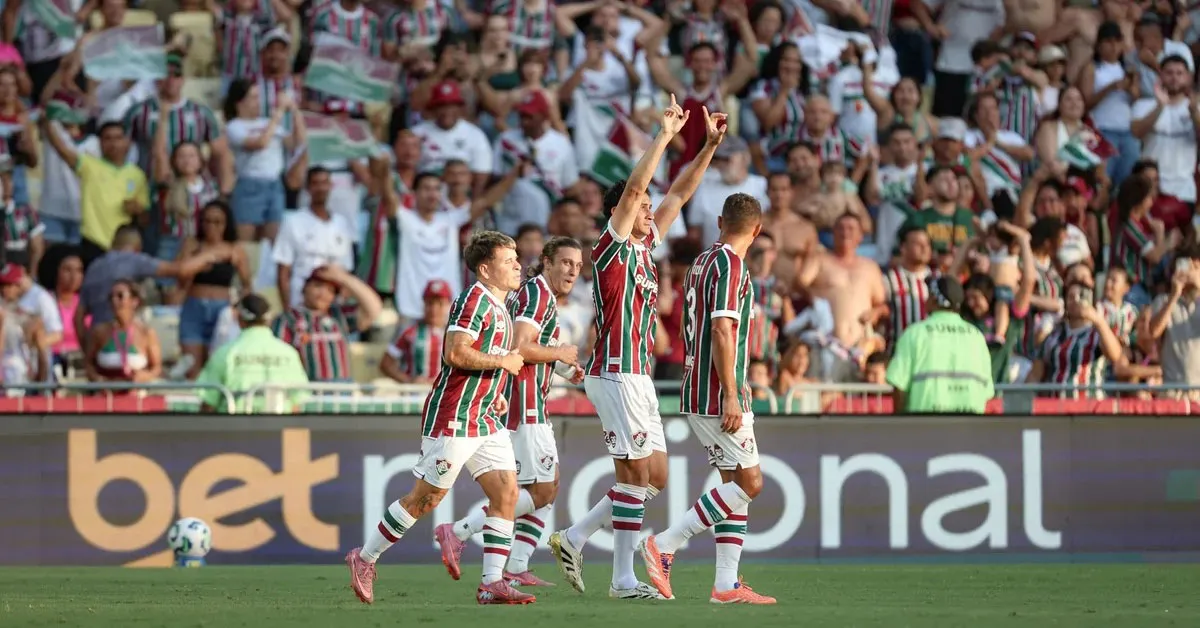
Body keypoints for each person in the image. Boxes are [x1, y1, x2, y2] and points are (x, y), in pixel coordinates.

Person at [548, 97, 724, 600]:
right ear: (620, 214)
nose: (650, 210)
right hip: (615, 372)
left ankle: (575, 536)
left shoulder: (646, 248)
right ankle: (622, 579)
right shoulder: (613, 246)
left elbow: (680, 192)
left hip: (638, 376)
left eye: (650, 208)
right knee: (634, 475)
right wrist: (664, 136)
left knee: (656, 476)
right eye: (643, 207)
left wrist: (708, 147)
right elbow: (635, 190)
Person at [347, 231, 531, 605]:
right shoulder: (473, 300)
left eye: (516, 258)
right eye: (508, 260)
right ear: (485, 269)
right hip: (455, 416)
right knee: (425, 499)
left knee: (507, 493)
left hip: (484, 416)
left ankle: (491, 583)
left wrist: (495, 392)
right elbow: (455, 353)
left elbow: (484, 359)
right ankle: (364, 558)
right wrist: (503, 362)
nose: (517, 265)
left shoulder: (500, 304)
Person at [639, 192, 775, 605]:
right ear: (757, 230)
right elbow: (721, 330)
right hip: (718, 391)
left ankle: (726, 584)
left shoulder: (701, 262)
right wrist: (731, 393)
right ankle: (664, 543)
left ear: (719, 221)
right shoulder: (731, 265)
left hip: (696, 385)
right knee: (751, 483)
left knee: (734, 485)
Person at [435, 236, 585, 586]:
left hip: (528, 400)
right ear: (547, 261)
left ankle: (516, 565)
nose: (572, 271)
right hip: (524, 404)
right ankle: (459, 531)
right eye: (565, 262)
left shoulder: (535, 294)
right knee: (540, 491)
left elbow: (528, 346)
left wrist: (562, 367)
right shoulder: (538, 294)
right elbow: (520, 346)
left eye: (578, 266)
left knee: (546, 487)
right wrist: (560, 353)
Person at [886, 275, 994, 414]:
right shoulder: (977, 337)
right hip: (969, 423)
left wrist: (901, 422)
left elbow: (899, 386)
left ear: (934, 299)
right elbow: (986, 392)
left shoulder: (914, 334)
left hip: (925, 423)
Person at [196, 294, 310, 414]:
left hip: (234, 424)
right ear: (268, 320)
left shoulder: (225, 353)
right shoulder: (289, 353)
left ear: (239, 319)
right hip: (280, 423)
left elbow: (208, 402)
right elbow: (296, 404)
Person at [177, 201, 253, 379]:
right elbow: (180, 276)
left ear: (226, 224)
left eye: (218, 222)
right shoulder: (192, 245)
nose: (212, 226)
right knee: (192, 368)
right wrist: (204, 258)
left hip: (222, 311)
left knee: (219, 367)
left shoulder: (235, 250)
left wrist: (240, 309)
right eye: (207, 221)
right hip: (194, 308)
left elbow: (247, 284)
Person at [83, 279, 161, 384]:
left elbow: (156, 368)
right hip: (105, 390)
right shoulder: (99, 332)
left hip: (136, 390)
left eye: (120, 296)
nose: (114, 301)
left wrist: (144, 376)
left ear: (134, 301)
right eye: (111, 297)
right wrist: (97, 379)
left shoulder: (146, 333)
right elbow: (88, 364)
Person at [380, 280, 452, 384]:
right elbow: (386, 364)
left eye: (440, 304)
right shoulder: (408, 330)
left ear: (449, 305)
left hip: (444, 391)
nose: (434, 309)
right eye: (430, 303)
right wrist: (409, 381)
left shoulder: (455, 333)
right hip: (415, 391)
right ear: (423, 304)